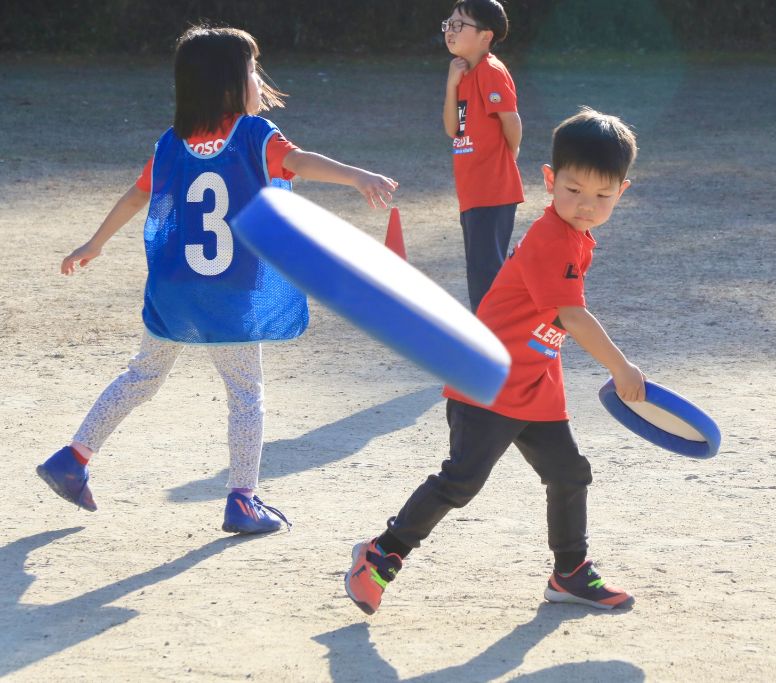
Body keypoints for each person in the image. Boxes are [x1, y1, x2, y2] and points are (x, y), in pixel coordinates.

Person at [36, 25, 398, 534]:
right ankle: (243, 498)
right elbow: (300, 163)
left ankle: (73, 457)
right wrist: (358, 174)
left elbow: (137, 196)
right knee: (246, 394)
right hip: (228, 294)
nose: (259, 78)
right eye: (252, 69)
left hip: (176, 290)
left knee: (142, 376)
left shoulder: (171, 142)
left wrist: (95, 243)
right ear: (230, 84)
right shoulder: (253, 135)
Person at [345, 108, 642, 614]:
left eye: (601, 196)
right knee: (461, 482)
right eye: (573, 190)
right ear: (550, 181)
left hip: (534, 385)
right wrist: (620, 366)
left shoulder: (573, 235)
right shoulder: (552, 240)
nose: (585, 205)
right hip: (489, 383)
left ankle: (569, 573)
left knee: (569, 473)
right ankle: (381, 555)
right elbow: (572, 314)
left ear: (622, 192)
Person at [442, 0, 524, 312]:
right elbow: (453, 129)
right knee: (479, 270)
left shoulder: (490, 70)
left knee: (485, 274)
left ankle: (494, 333)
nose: (451, 30)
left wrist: (509, 154)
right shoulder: (462, 72)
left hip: (492, 190)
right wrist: (452, 84)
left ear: (485, 36)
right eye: (449, 23)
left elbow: (511, 121)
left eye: (459, 25)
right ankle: (491, 330)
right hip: (473, 190)